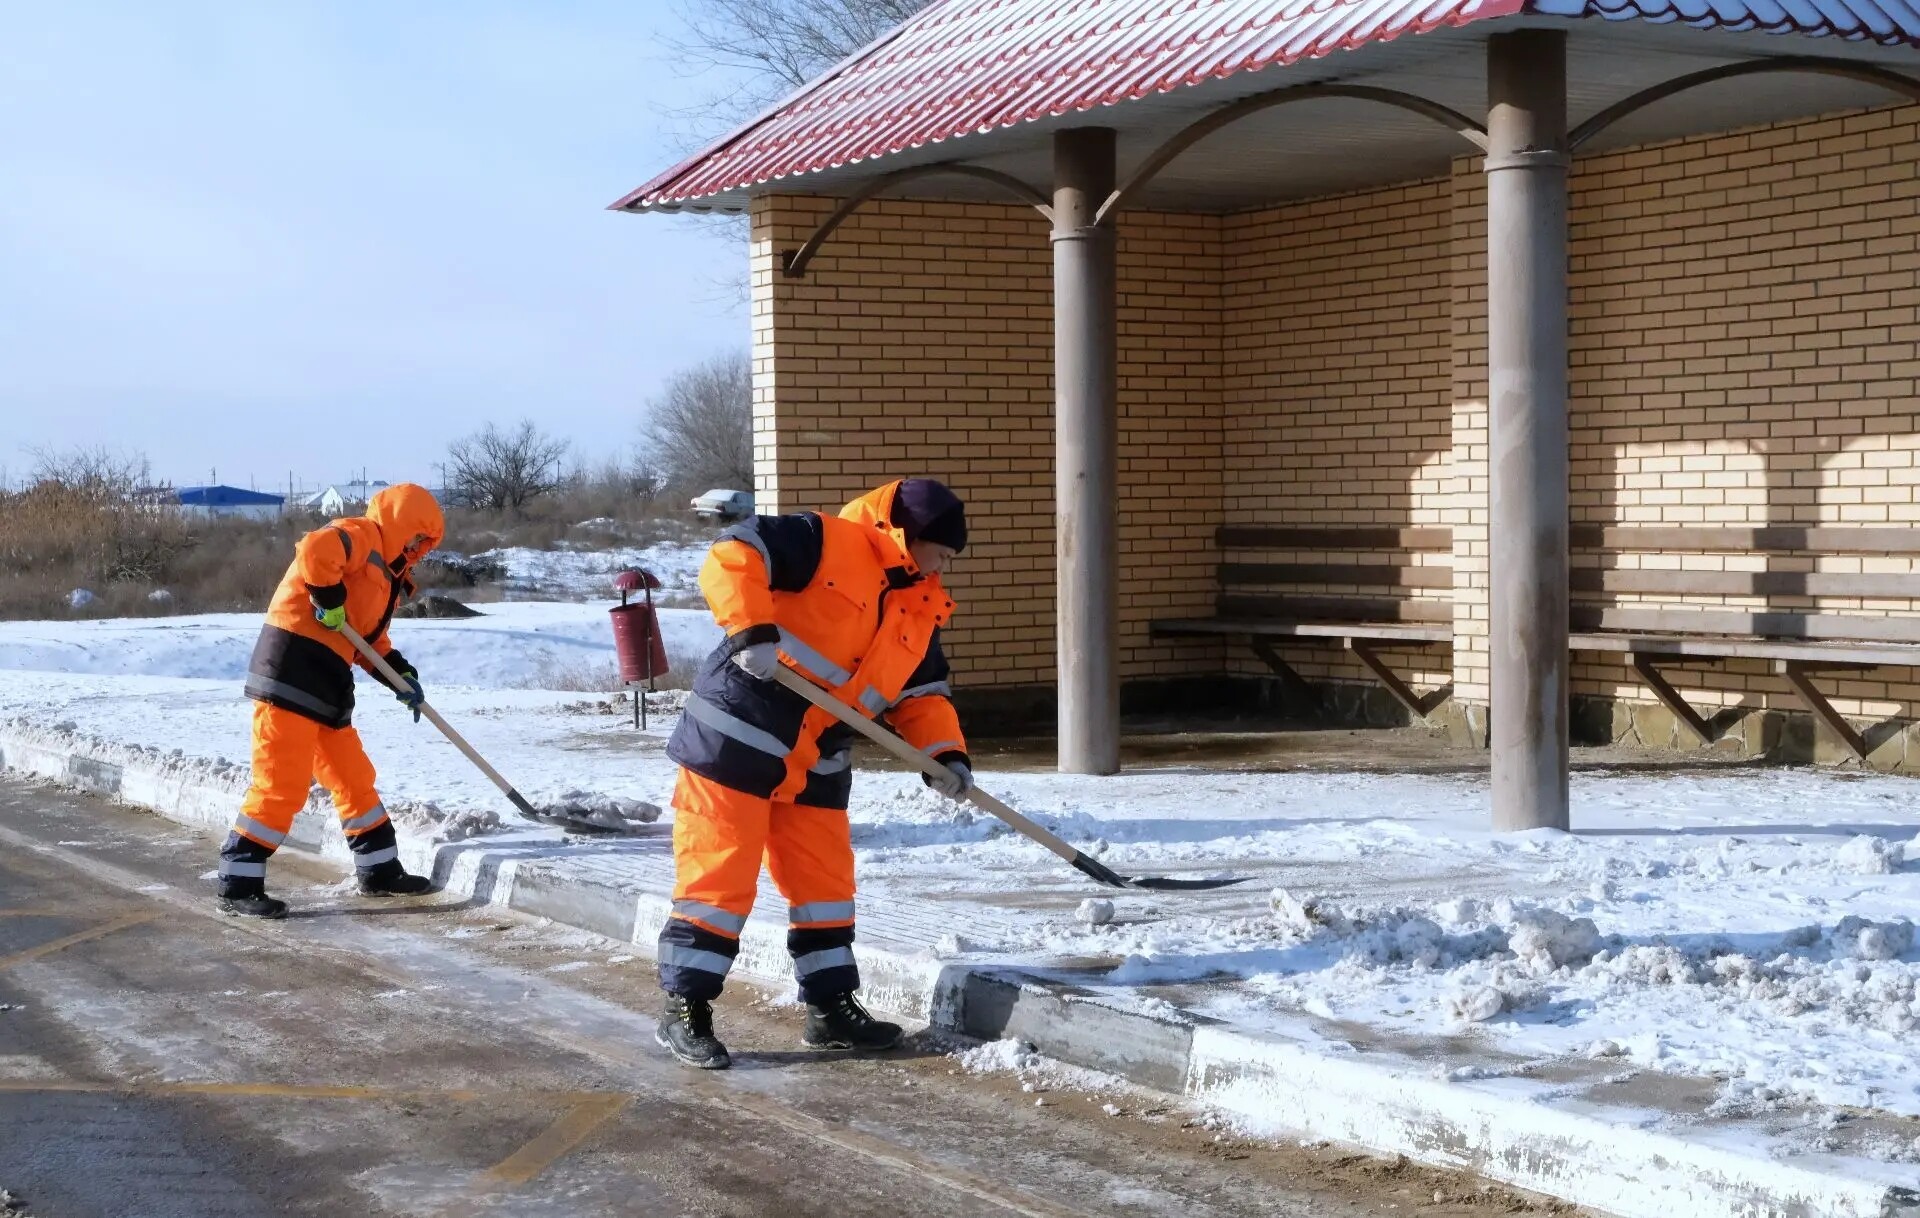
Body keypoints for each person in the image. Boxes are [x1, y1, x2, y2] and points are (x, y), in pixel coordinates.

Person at [656, 477, 973, 1069]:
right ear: (910, 536)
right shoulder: (823, 540)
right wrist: (751, 629)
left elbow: (922, 696)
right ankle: (686, 1007)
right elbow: (732, 554)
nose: (943, 567)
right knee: (719, 881)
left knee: (825, 888)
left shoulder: (920, 605)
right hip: (737, 737)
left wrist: (945, 755)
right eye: (942, 553)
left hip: (818, 756)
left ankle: (830, 1008)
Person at [216, 483, 444, 918]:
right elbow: (315, 550)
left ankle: (380, 870)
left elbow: (368, 641)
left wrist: (400, 676)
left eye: (424, 543)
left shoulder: (387, 577)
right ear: (401, 524)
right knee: (282, 783)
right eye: (416, 537)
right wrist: (327, 597)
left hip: (328, 681)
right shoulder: (361, 535)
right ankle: (238, 882)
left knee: (354, 777)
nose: (417, 548)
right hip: (291, 670)